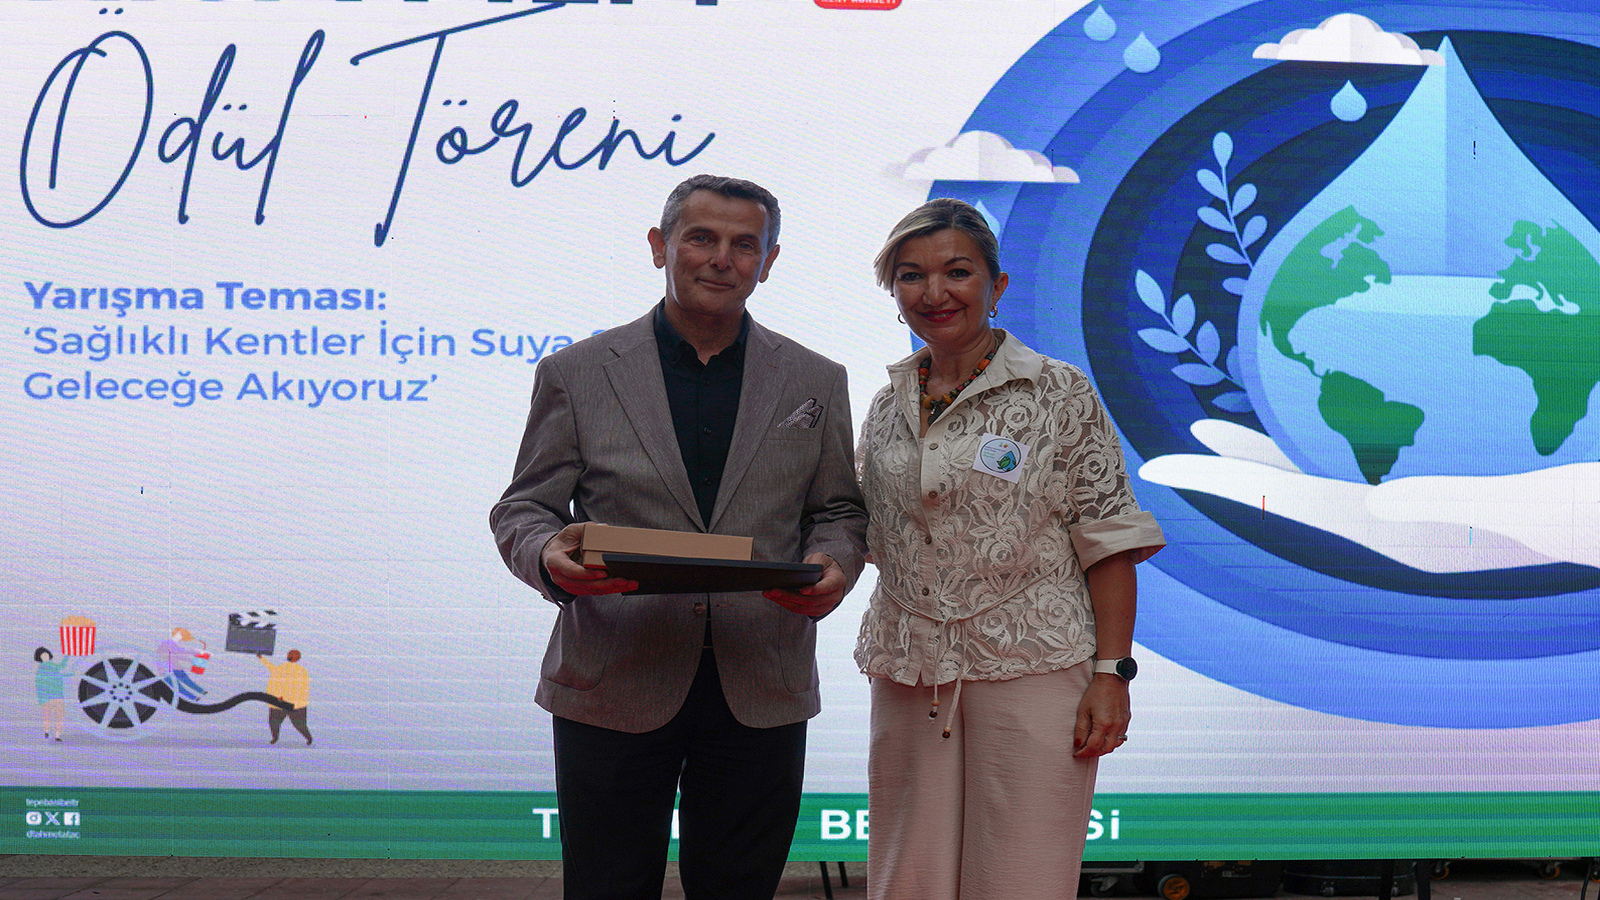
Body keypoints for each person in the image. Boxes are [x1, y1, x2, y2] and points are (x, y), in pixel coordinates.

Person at [490, 174, 869, 900]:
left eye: (744, 244)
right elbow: (524, 508)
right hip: (613, 674)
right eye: (701, 237)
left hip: (761, 676)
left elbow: (839, 511)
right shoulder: (576, 373)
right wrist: (546, 554)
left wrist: (834, 563)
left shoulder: (817, 379)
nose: (722, 258)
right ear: (660, 246)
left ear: (769, 262)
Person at [854, 198, 1165, 900]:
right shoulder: (886, 404)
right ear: (893, 292)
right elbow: (870, 532)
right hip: (910, 671)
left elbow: (1110, 541)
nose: (934, 292)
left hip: (1035, 665)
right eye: (911, 276)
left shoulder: (1059, 392)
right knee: (908, 878)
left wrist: (1112, 674)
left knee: (1021, 876)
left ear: (996, 285)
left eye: (957, 272)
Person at [258, 650, 313, 746]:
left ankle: (275, 738)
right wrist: (261, 658)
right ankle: (308, 738)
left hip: (285, 703)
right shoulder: (301, 670)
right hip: (292, 704)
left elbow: (272, 668)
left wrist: (261, 658)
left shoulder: (285, 668)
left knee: (275, 722)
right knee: (298, 724)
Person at [34, 647, 74, 742]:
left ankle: (57, 735)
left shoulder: (53, 666)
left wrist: (67, 656)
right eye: (43, 656)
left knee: (59, 716)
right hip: (47, 697)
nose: (46, 657)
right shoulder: (41, 670)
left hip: (58, 695)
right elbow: (40, 684)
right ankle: (46, 732)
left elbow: (61, 667)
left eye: (47, 655)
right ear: (40, 658)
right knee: (47, 716)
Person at [156, 627, 206, 700]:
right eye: (180, 635)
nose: (181, 638)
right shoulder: (167, 643)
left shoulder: (171, 644)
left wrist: (193, 657)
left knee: (185, 681)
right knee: (179, 686)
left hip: (172, 668)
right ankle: (195, 697)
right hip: (166, 669)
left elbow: (179, 654)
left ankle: (200, 693)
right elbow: (179, 652)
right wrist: (195, 653)